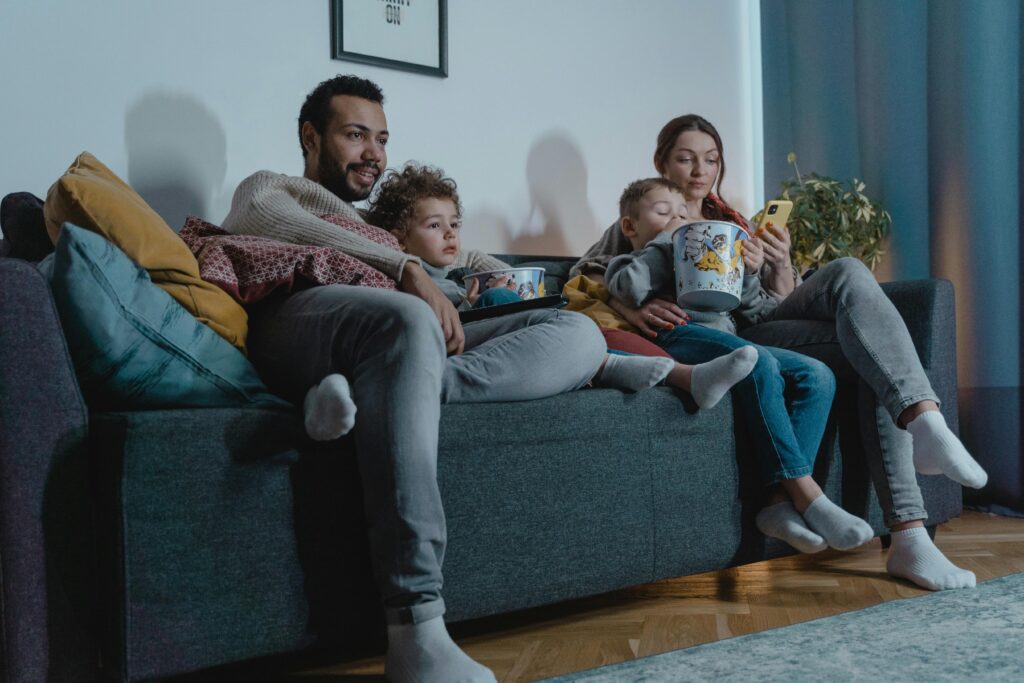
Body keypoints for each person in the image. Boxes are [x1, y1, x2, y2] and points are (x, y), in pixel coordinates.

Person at [221, 75, 603, 683]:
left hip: (396, 337)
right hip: (304, 315)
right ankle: (416, 626)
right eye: (355, 134)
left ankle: (403, 385)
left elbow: (461, 252)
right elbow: (259, 216)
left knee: (579, 333)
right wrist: (405, 270)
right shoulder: (275, 187)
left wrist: (483, 273)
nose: (373, 151)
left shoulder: (381, 225)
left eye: (382, 138)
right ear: (310, 137)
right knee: (405, 321)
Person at [604, 113, 984, 591]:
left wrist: (778, 266)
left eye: (711, 160)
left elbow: (774, 303)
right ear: (662, 161)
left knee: (850, 284)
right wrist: (631, 305)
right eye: (685, 159)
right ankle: (912, 492)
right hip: (735, 338)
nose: (700, 171)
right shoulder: (648, 213)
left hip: (766, 321)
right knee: (865, 345)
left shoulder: (735, 224)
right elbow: (590, 276)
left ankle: (913, 504)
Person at [605, 176, 875, 554]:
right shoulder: (631, 259)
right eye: (664, 212)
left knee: (817, 375)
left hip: (733, 339)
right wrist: (669, 239)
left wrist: (749, 269)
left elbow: (743, 303)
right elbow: (629, 289)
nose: (679, 219)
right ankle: (808, 495)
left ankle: (778, 503)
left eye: (683, 213)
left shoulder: (706, 250)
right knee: (757, 361)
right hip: (677, 336)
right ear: (630, 226)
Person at [367, 162, 760, 405]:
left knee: (533, 307)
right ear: (398, 238)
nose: (451, 234)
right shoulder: (406, 272)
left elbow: (473, 259)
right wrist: (470, 301)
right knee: (519, 303)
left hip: (497, 333)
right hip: (453, 339)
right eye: (435, 226)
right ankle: (617, 368)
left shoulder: (460, 267)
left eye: (455, 225)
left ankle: (616, 368)